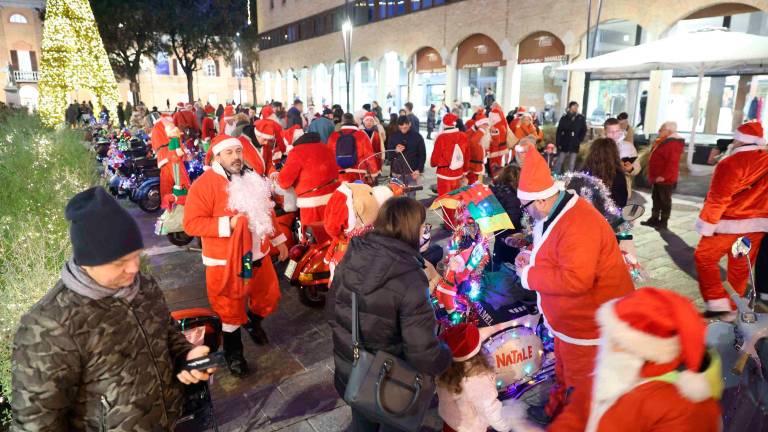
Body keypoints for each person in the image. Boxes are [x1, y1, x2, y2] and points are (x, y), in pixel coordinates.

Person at [11, 187, 214, 430]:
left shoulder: (144, 286)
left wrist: (185, 356)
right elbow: (36, 423)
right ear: (89, 261)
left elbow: (168, 333)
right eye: (119, 262)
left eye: (137, 256)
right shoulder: (48, 325)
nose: (133, 269)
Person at [514, 149, 634, 429]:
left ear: (542, 199)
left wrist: (529, 275)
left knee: (582, 380)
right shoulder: (554, 210)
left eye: (526, 206)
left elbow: (576, 280)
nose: (526, 212)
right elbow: (556, 251)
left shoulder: (579, 222)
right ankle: (558, 408)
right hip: (570, 322)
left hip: (588, 321)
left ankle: (578, 422)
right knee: (563, 367)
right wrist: (531, 257)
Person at [329, 196, 452, 432]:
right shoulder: (410, 277)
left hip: (353, 370)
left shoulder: (353, 255)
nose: (426, 232)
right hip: (390, 380)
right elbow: (423, 352)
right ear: (409, 230)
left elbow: (333, 313)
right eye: (423, 227)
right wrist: (446, 357)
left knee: (362, 422)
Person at [184, 135, 288, 377]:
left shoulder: (252, 179)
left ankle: (252, 319)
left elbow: (267, 212)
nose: (236, 157)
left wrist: (278, 239)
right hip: (226, 262)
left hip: (257, 255)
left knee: (269, 295)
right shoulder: (204, 184)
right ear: (217, 156)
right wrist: (227, 225)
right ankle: (234, 355)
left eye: (238, 151)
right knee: (229, 310)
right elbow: (191, 224)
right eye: (229, 152)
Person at [585, 287, 722, 432]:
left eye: (618, 342)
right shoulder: (611, 371)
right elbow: (578, 412)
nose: (608, 347)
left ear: (645, 351)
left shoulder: (682, 408)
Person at [694, 121, 768, 320]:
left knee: (704, 258)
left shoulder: (730, 163)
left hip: (726, 224)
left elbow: (718, 197)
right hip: (756, 226)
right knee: (740, 267)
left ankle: (718, 302)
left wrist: (706, 224)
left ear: (739, 139)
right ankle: (734, 307)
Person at [437, 323, 536, 432]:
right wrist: (507, 425)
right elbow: (490, 411)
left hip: (450, 422)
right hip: (471, 428)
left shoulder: (444, 368)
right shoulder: (478, 379)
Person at [278, 131, 340, 230]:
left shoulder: (296, 152)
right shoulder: (325, 147)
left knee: (313, 237)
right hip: (333, 196)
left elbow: (284, 182)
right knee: (332, 231)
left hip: (311, 203)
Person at [640, 121, 685, 230]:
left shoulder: (673, 143)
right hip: (658, 177)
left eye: (661, 129)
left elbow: (672, 163)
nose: (659, 131)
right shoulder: (665, 141)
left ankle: (663, 222)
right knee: (656, 198)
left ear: (668, 131)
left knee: (665, 200)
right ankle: (654, 219)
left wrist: (664, 176)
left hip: (665, 179)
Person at [431, 112, 469, 227]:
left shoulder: (441, 137)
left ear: (444, 123)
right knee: (456, 199)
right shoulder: (463, 136)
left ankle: (449, 224)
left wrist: (434, 163)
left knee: (446, 200)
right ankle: (457, 222)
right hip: (458, 174)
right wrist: (465, 171)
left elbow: (434, 159)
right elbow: (467, 155)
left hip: (444, 175)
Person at [328, 113, 379, 183]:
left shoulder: (333, 136)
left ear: (342, 122)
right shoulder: (362, 135)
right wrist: (373, 173)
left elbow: (329, 157)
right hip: (359, 174)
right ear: (354, 122)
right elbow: (369, 156)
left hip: (339, 175)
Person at [490, 165, 523, 271]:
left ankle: (496, 266)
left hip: (498, 228)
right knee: (509, 256)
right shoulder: (513, 195)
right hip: (510, 232)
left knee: (498, 249)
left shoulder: (496, 189)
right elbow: (514, 216)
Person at [151, 115, 191, 201]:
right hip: (173, 156)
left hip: (162, 159)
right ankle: (185, 200)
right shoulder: (168, 125)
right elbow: (177, 141)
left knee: (166, 182)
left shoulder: (154, 129)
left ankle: (166, 203)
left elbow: (154, 147)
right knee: (180, 179)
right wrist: (185, 154)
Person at [581, 138, 629, 207]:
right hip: (609, 216)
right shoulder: (618, 175)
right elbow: (622, 203)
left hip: (586, 214)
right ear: (614, 153)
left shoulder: (584, 172)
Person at [386, 115, 426, 197]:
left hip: (412, 173)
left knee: (411, 197)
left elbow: (422, 155)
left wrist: (419, 170)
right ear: (398, 126)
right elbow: (389, 156)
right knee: (397, 197)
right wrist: (395, 151)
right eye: (401, 127)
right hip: (397, 173)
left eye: (406, 126)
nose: (404, 128)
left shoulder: (417, 137)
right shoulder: (393, 136)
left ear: (410, 124)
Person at [604, 117, 640, 197]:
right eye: (611, 132)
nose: (614, 135)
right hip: (603, 190)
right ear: (605, 132)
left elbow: (637, 168)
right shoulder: (599, 147)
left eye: (617, 131)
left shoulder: (629, 146)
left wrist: (630, 169)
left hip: (621, 191)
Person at [555, 101, 587, 174]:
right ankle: (555, 175)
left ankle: (569, 178)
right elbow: (559, 131)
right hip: (565, 142)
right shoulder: (564, 118)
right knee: (560, 161)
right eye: (574, 106)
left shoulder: (580, 118)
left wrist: (580, 139)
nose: (575, 108)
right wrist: (558, 143)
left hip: (575, 142)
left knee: (572, 163)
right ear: (569, 108)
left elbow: (584, 130)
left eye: (577, 106)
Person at [466, 114, 491, 184]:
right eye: (485, 124)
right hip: (474, 167)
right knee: (473, 186)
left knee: (478, 185)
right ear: (480, 125)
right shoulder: (477, 134)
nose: (487, 126)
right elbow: (473, 142)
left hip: (480, 166)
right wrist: (481, 131)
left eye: (487, 124)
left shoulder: (483, 135)